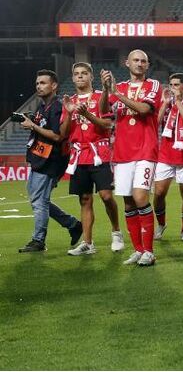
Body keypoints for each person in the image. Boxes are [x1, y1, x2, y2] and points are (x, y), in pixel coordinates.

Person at [100, 50, 163, 266]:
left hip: (146, 150)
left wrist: (116, 93)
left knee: (140, 197)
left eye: (144, 61)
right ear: (126, 63)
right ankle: (137, 250)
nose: (140, 64)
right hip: (123, 152)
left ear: (148, 65)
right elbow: (104, 112)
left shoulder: (153, 85)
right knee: (127, 202)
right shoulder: (121, 88)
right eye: (136, 60)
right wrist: (106, 90)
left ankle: (149, 251)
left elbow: (145, 109)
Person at [60, 63, 124, 255]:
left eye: (84, 73)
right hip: (79, 155)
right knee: (85, 199)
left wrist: (86, 113)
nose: (80, 77)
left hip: (99, 153)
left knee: (106, 196)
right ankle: (88, 243)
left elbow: (107, 124)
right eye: (76, 74)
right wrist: (71, 113)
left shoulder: (99, 97)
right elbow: (63, 133)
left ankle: (116, 232)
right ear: (72, 78)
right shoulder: (69, 101)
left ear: (91, 77)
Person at [17, 70, 82, 253]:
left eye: (43, 83)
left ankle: (38, 240)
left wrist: (33, 126)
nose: (39, 86)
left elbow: (58, 136)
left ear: (54, 86)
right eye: (37, 83)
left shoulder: (57, 107)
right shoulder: (41, 106)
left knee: (39, 202)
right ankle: (73, 224)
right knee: (39, 200)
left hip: (51, 161)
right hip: (40, 159)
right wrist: (31, 122)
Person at [152, 73, 183, 242]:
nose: (173, 88)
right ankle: (161, 224)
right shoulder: (165, 103)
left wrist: (178, 102)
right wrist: (165, 104)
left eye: (176, 84)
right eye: (171, 84)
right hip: (165, 155)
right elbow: (155, 124)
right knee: (158, 193)